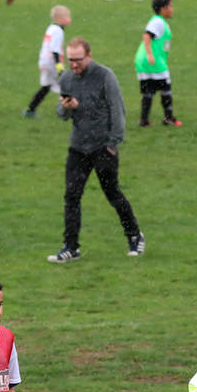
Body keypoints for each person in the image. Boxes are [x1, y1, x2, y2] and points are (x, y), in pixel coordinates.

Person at [49, 38, 145, 263]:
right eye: (70, 60)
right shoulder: (67, 78)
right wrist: (66, 108)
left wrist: (113, 143)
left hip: (103, 146)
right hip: (78, 147)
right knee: (71, 197)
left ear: (89, 55)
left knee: (112, 193)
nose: (74, 65)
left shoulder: (105, 76)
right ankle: (71, 247)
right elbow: (61, 114)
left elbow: (117, 109)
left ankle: (134, 235)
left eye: (78, 60)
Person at [133, 0, 182, 128]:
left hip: (144, 61)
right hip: (152, 62)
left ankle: (144, 120)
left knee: (148, 91)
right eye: (170, 6)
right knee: (165, 89)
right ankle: (169, 118)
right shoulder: (158, 22)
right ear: (163, 9)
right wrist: (150, 55)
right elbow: (147, 35)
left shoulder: (159, 21)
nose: (172, 9)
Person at [25, 5, 71, 118]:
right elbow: (55, 50)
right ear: (59, 19)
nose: (70, 19)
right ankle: (67, 111)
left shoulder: (51, 28)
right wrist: (59, 66)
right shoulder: (58, 31)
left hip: (44, 62)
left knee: (47, 87)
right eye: (68, 17)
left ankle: (31, 109)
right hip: (51, 64)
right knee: (65, 86)